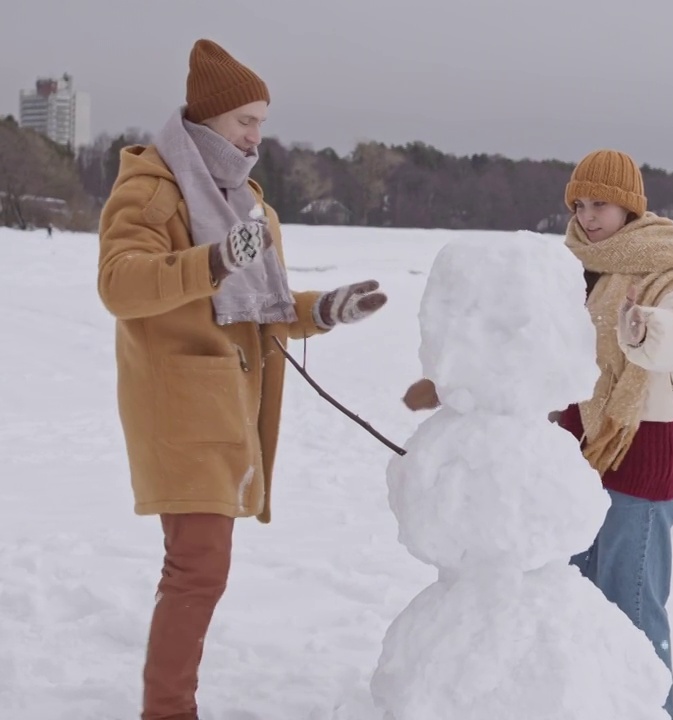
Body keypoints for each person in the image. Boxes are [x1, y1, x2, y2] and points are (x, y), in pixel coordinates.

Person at [96, 39, 386, 720]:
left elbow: (265, 312)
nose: (257, 136)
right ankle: (168, 711)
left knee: (197, 569)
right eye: (244, 121)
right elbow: (120, 285)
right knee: (198, 568)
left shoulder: (248, 204)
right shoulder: (151, 188)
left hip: (230, 409)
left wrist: (326, 310)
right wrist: (216, 260)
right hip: (179, 407)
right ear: (206, 120)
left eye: (261, 121)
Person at [559, 149, 673, 717]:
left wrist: (642, 326)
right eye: (579, 204)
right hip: (575, 448)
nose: (587, 217)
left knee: (630, 604)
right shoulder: (570, 263)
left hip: (642, 450)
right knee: (572, 598)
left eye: (600, 204)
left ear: (629, 206)